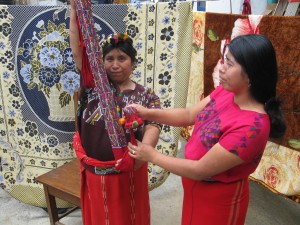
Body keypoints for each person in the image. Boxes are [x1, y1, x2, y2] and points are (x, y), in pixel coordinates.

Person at [127, 34, 287, 225]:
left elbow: (199, 170)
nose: (221, 68)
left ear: (251, 75)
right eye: (223, 60)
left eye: (229, 63)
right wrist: (147, 113)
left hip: (218, 202)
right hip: (195, 189)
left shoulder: (252, 127)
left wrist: (152, 155)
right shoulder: (228, 92)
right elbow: (188, 115)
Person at [69, 0, 161, 224]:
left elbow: (154, 125)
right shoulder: (93, 85)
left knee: (129, 216)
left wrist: (146, 149)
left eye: (122, 58)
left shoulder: (146, 95)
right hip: (95, 174)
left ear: (133, 63)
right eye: (109, 59)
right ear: (101, 62)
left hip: (130, 171)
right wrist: (74, 12)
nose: (115, 64)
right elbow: (76, 49)